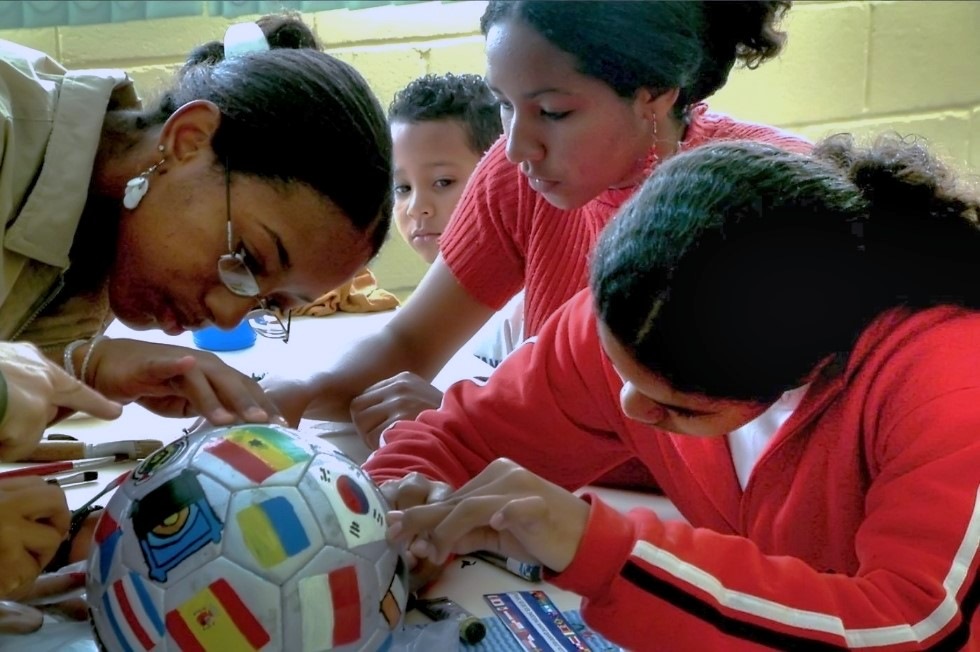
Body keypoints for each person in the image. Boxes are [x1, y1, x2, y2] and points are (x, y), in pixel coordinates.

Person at [366, 135, 980, 650]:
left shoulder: (949, 382)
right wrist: (401, 498)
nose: (628, 407)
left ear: (803, 372)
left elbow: (918, 630)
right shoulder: (643, 308)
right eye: (618, 370)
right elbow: (463, 435)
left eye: (679, 406)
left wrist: (605, 547)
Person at [265, 0, 812, 460]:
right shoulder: (516, 179)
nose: (516, 147)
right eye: (504, 105)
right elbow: (408, 340)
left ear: (656, 92)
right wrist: (293, 391)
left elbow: (727, 437)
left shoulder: (762, 200)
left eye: (552, 112)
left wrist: (489, 421)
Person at [0, 14, 391, 629]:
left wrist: (81, 366)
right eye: (249, 259)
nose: (227, 311)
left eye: (269, 305)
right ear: (187, 140)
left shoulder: (94, 252)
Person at [347, 72, 519, 429]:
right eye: (403, 188)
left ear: (499, 177)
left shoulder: (523, 307)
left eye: (443, 182)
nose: (416, 207)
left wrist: (454, 413)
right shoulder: (440, 304)